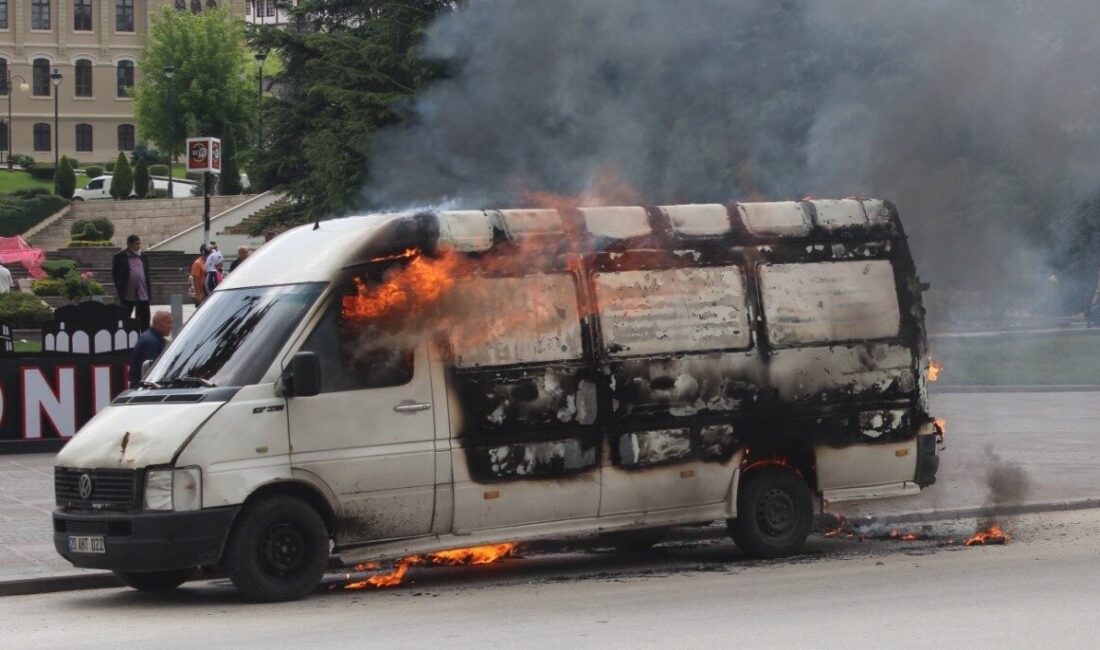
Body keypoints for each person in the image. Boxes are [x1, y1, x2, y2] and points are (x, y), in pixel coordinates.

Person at [112, 234, 151, 332]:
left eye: (139, 243)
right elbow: (115, 274)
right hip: (127, 294)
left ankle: (144, 336)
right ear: (129, 244)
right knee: (125, 317)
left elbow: (146, 273)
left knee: (145, 318)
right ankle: (126, 337)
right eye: (135, 244)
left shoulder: (143, 256)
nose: (138, 246)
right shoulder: (119, 257)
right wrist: (120, 288)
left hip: (143, 292)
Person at [129, 310, 172, 385]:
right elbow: (151, 370)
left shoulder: (151, 337)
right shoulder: (151, 342)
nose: (171, 326)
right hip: (143, 388)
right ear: (158, 324)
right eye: (168, 322)